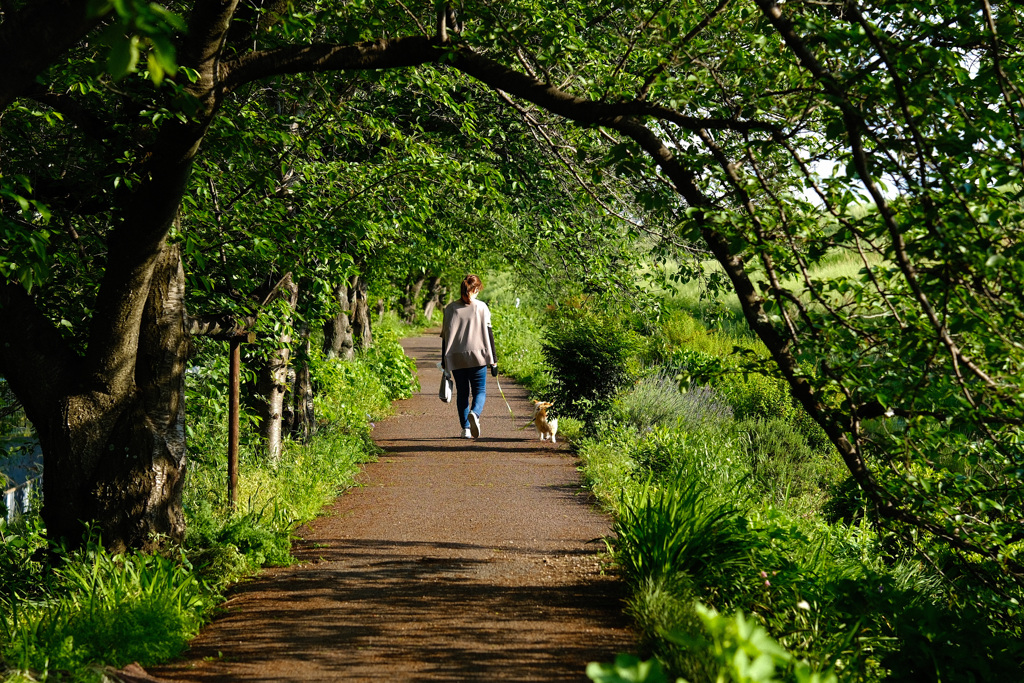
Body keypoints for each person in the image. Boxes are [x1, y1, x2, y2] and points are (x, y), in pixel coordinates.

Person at [441, 274, 498, 439]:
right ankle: (475, 413)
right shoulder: (482, 307)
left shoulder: (450, 309)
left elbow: (445, 337)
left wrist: (445, 362)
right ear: (475, 289)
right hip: (478, 356)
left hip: (456, 357)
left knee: (463, 393)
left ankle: (466, 428)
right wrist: (493, 360)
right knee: (480, 391)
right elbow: (489, 333)